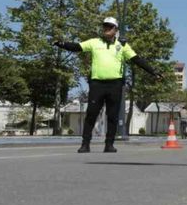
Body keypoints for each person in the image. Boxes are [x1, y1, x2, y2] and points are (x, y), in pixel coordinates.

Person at [54, 16, 160, 153]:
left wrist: (153, 72)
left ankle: (109, 144)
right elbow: (77, 47)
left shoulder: (122, 45)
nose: (106, 29)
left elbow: (137, 60)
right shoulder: (94, 42)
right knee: (91, 114)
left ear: (116, 30)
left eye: (109, 27)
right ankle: (85, 144)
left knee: (112, 115)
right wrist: (61, 44)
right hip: (97, 84)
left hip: (115, 84)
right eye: (105, 26)